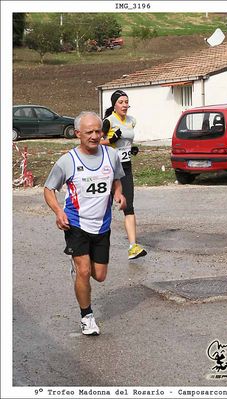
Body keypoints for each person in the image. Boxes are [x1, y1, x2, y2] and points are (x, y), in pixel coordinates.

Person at [44, 111, 126, 336]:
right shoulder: (68, 161)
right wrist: (59, 211)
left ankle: (82, 268)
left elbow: (117, 179)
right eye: (89, 132)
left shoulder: (112, 155)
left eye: (98, 131)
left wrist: (119, 194)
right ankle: (87, 316)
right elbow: (48, 189)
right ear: (78, 133)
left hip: (102, 225)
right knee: (84, 270)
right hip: (76, 224)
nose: (94, 136)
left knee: (99, 275)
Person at [101, 89, 147, 260]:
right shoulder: (108, 121)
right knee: (103, 206)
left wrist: (130, 148)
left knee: (129, 206)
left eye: (126, 102)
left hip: (125, 167)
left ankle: (133, 247)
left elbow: (126, 141)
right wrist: (110, 141)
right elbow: (94, 143)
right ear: (114, 104)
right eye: (121, 102)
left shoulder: (131, 121)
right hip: (108, 168)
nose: (125, 105)